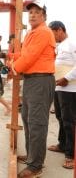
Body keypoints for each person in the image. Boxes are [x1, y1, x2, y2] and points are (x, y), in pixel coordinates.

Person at [10, 1, 56, 177]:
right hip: (31, 80)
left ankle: (36, 166)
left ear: (44, 16)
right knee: (29, 120)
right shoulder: (32, 33)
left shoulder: (43, 32)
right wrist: (11, 58)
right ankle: (32, 156)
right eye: (30, 12)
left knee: (37, 123)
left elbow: (28, 58)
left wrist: (14, 67)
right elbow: (23, 55)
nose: (33, 15)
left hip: (41, 80)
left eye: (37, 12)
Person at [47, 21, 76, 169]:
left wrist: (67, 78)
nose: (52, 37)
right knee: (60, 117)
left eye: (52, 33)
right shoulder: (59, 46)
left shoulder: (72, 43)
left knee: (69, 121)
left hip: (70, 89)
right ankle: (62, 144)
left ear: (59, 30)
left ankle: (71, 155)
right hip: (59, 88)